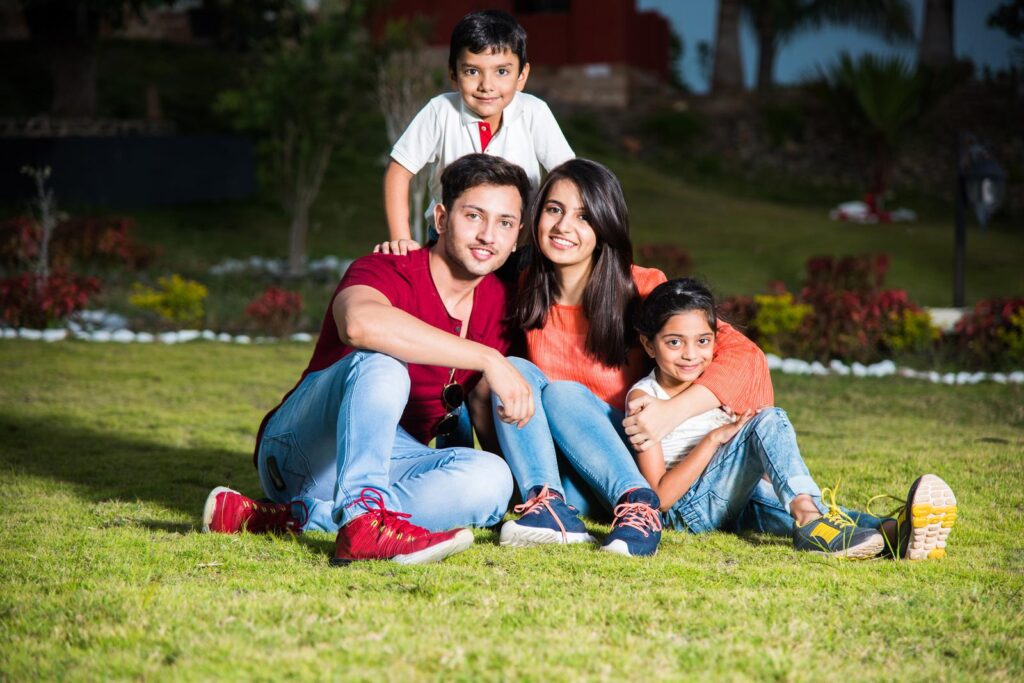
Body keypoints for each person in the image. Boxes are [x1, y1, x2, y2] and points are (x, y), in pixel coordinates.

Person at [202, 154, 536, 566]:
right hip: (303, 450)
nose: (488, 235)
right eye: (474, 216)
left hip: (389, 458)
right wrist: (487, 358)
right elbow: (359, 324)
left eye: (505, 222)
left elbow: (490, 409)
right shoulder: (387, 268)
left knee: (491, 479)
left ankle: (300, 519)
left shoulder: (501, 305)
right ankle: (361, 520)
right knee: (383, 363)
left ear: (518, 233)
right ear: (442, 218)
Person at [491, 158, 773, 558]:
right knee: (514, 371)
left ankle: (639, 505)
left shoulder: (640, 286)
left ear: (605, 225)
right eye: (554, 209)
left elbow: (747, 359)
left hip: (636, 461)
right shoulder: (524, 287)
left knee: (563, 395)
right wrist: (404, 246)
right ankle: (547, 506)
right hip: (574, 475)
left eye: (584, 216)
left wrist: (670, 412)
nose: (563, 226)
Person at [629, 277, 958, 559]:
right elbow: (660, 498)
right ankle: (810, 520)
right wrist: (715, 438)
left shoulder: (710, 386)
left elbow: (741, 465)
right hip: (687, 513)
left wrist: (767, 461)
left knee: (801, 505)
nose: (690, 354)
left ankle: (892, 534)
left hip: (737, 503)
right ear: (649, 345)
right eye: (674, 342)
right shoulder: (645, 399)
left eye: (703, 341)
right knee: (768, 421)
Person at [379, 9, 573, 255]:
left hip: (518, 247)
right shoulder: (439, 111)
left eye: (501, 71)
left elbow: (569, 177)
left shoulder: (534, 112)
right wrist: (401, 238)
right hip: (450, 243)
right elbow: (398, 172)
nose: (486, 85)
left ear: (521, 75)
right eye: (472, 71)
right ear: (453, 74)